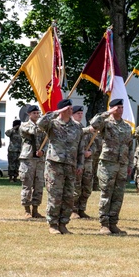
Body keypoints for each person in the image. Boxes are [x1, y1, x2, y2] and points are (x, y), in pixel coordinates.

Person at [37, 99, 85, 235]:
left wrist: (80, 164)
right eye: (68, 108)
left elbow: (80, 147)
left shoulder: (77, 127)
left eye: (71, 109)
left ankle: (63, 223)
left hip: (70, 165)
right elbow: (41, 123)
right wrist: (56, 112)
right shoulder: (53, 124)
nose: (71, 110)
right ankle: (53, 224)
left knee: (68, 196)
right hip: (55, 165)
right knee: (55, 195)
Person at [90, 99, 134, 235]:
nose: (120, 110)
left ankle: (113, 223)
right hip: (108, 163)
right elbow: (94, 124)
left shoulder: (127, 127)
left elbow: (130, 146)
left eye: (121, 107)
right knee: (106, 194)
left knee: (118, 195)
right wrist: (107, 113)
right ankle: (104, 224)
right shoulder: (106, 123)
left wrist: (130, 164)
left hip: (122, 164)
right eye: (117, 107)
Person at [19, 105, 45, 219]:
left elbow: (46, 140)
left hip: (39, 159)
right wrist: (45, 122)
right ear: (29, 114)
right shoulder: (24, 125)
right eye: (34, 113)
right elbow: (33, 131)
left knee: (38, 185)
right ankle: (27, 210)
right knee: (27, 184)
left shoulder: (42, 127)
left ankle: (35, 209)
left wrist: (43, 151)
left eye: (38, 113)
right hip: (28, 158)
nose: (36, 115)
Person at [72, 106, 98, 219]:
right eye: (77, 113)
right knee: (75, 187)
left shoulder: (83, 128)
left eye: (81, 113)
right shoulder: (72, 127)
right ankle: (73, 209)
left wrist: (91, 151)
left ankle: (81, 209)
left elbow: (95, 145)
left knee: (87, 187)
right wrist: (83, 152)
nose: (80, 115)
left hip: (87, 162)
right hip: (76, 161)